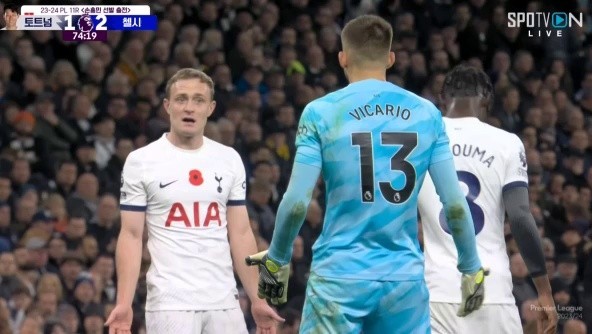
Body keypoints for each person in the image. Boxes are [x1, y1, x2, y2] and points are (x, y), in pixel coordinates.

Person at [246, 15, 488, 333]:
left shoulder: (321, 112)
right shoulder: (427, 114)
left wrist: (277, 259)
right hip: (403, 280)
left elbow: (295, 202)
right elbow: (455, 204)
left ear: (342, 58)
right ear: (390, 58)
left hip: (339, 276)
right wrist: (471, 267)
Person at [105, 68, 283, 334]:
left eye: (198, 100)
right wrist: (124, 303)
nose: (189, 107)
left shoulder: (229, 159)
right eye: (181, 99)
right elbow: (131, 235)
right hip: (170, 304)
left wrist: (258, 299)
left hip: (225, 302)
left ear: (210, 108)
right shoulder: (141, 161)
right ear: (167, 106)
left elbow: (242, 232)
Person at [417, 64, 558, 334]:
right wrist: (544, 291)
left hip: (436, 292)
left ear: (443, 98)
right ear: (486, 101)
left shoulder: (421, 141)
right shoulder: (506, 142)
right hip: (491, 292)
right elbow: (519, 216)